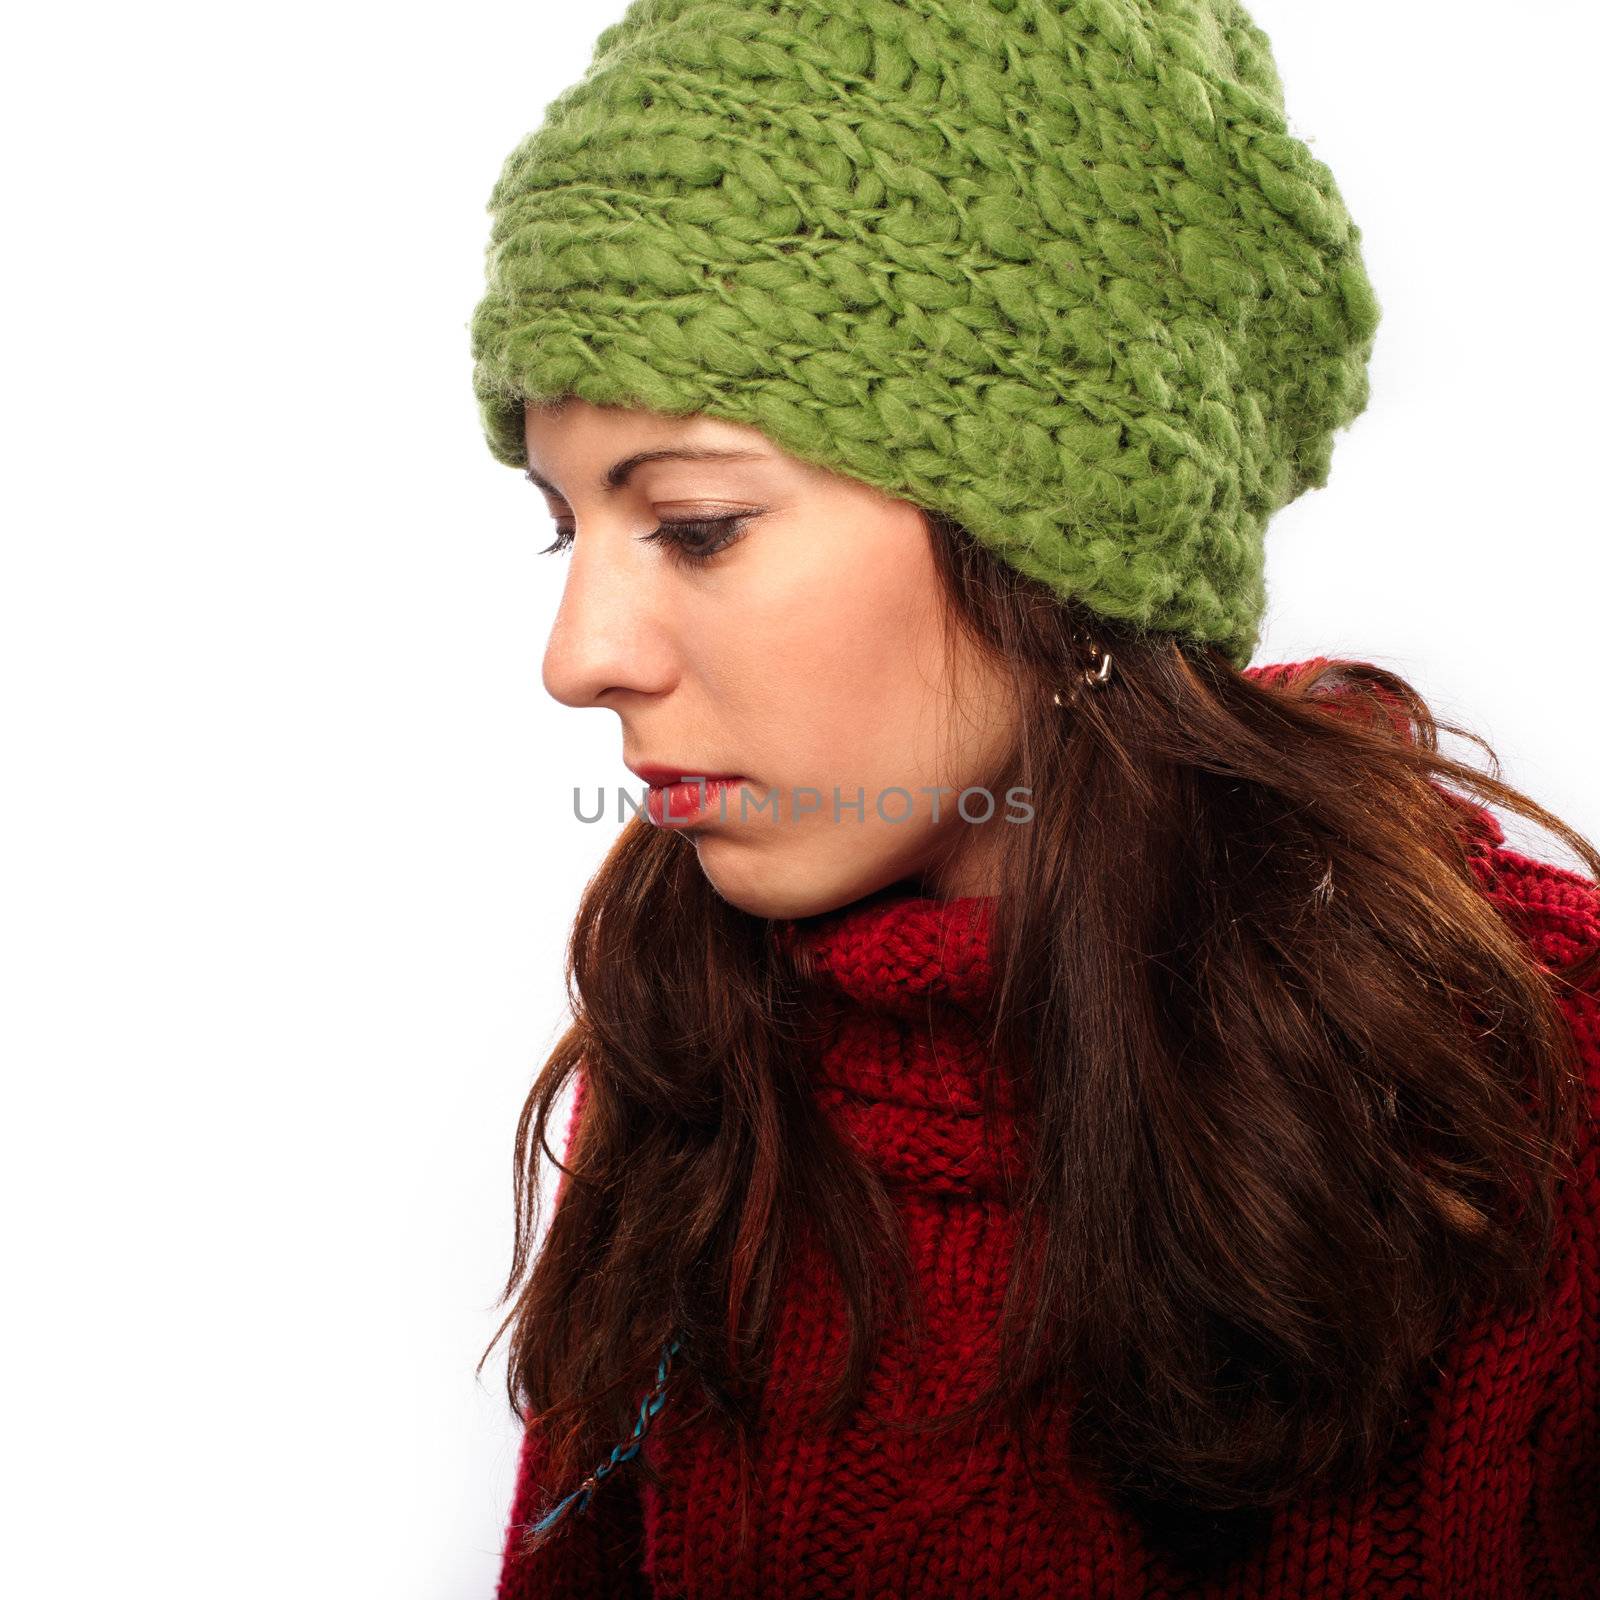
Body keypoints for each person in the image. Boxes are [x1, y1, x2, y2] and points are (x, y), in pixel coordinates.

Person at [466, 2, 1600, 1593]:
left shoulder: (1531, 1087)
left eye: (699, 523)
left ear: (1062, 543)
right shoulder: (696, 1039)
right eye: (560, 523)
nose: (578, 658)